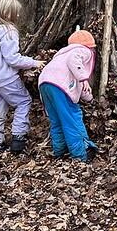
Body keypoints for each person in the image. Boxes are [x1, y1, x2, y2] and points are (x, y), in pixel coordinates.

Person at [0, 0, 44, 155]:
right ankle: (18, 139)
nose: (18, 16)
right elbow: (13, 59)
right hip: (5, 79)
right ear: (7, 13)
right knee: (23, 101)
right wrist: (34, 63)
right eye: (15, 13)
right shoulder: (9, 31)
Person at [38, 28, 98, 162]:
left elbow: (81, 88)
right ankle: (81, 154)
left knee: (56, 119)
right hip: (61, 87)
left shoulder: (60, 56)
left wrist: (89, 97)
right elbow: (74, 60)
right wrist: (84, 78)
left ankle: (59, 150)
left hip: (45, 83)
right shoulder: (82, 51)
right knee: (71, 117)